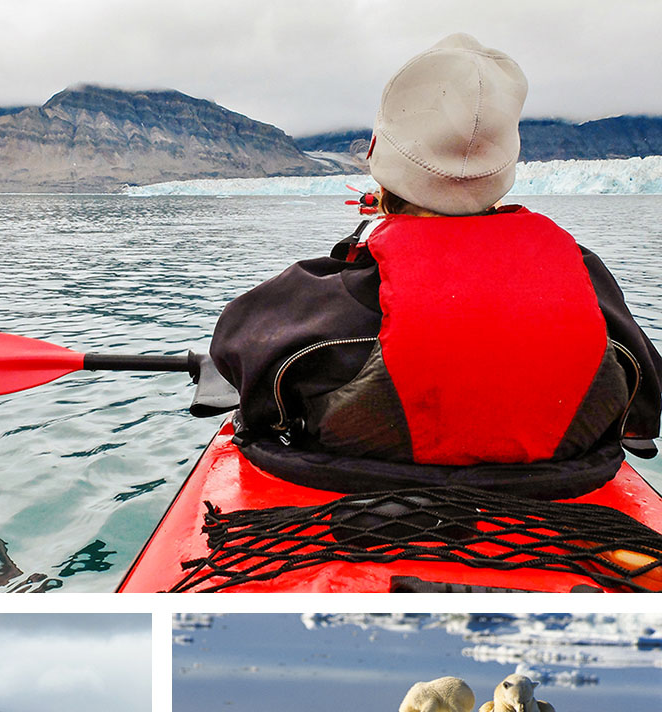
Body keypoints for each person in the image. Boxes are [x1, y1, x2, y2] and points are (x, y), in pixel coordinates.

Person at [210, 34, 662, 498]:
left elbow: (236, 352)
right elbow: (643, 399)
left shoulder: (333, 296)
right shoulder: (584, 282)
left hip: (356, 515)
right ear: (505, 164)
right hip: (561, 513)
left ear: (380, 163)